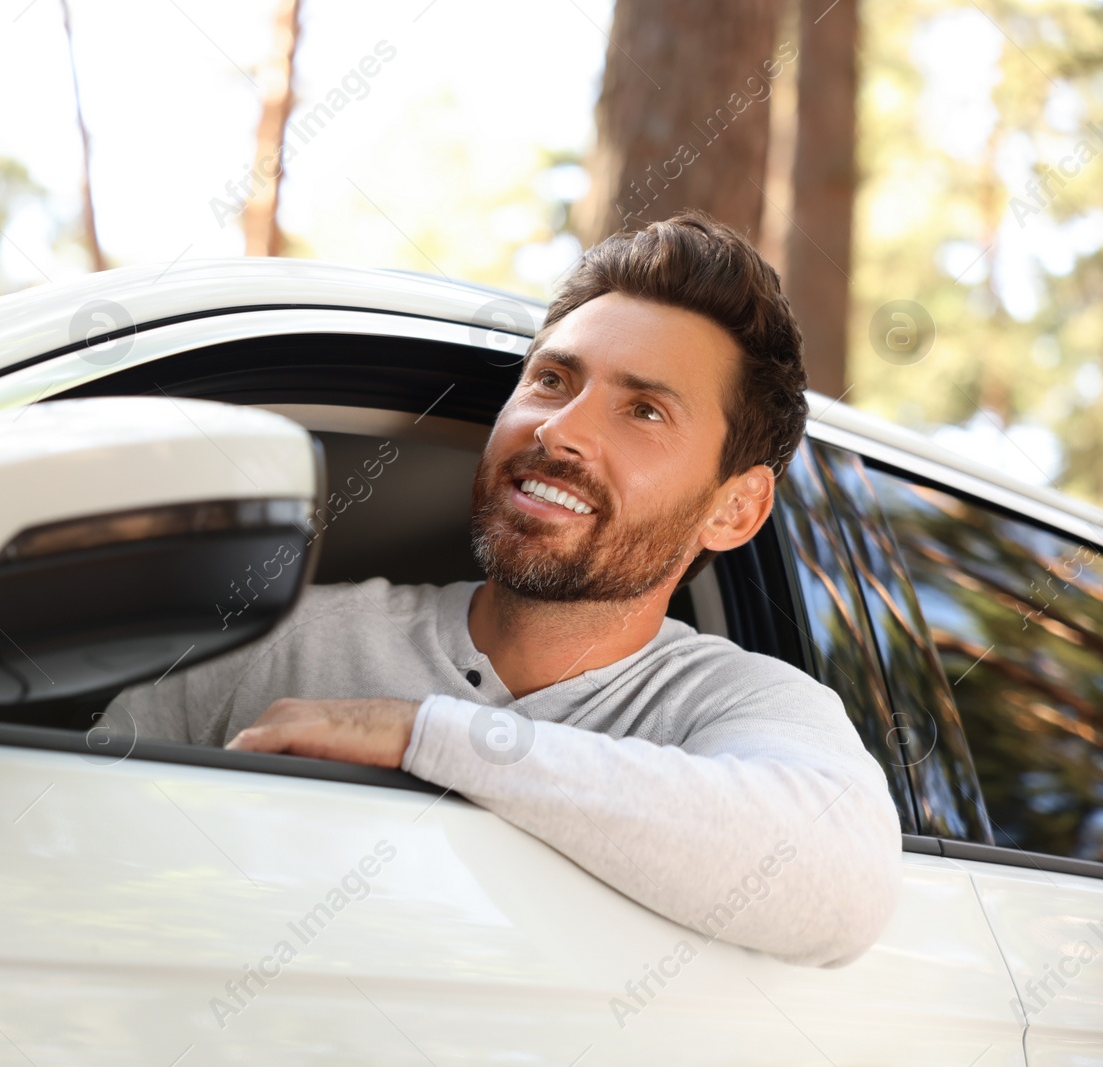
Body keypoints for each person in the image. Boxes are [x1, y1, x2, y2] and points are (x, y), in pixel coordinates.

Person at [104, 210, 901, 968]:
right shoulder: (276, 641)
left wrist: (425, 736)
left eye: (645, 410)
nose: (561, 430)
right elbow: (70, 848)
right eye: (553, 379)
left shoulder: (731, 704)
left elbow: (844, 883)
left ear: (735, 508)